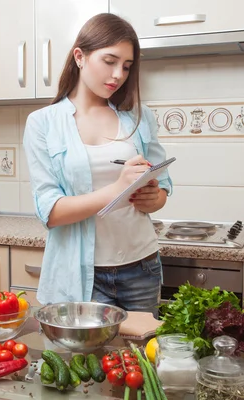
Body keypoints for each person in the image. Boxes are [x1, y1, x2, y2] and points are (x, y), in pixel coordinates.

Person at [23, 13, 172, 316]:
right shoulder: (43, 123)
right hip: (82, 274)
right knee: (89, 363)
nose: (118, 74)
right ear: (80, 56)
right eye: (110, 61)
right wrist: (119, 188)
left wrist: (152, 198)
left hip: (142, 266)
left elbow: (163, 188)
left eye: (127, 66)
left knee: (142, 359)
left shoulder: (140, 118)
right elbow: (50, 212)